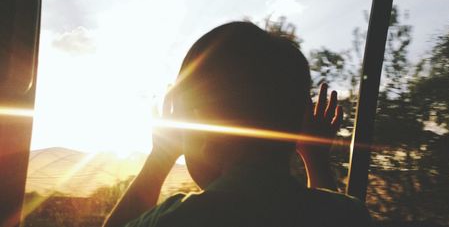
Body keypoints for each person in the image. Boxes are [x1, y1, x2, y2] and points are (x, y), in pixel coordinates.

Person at [102, 22, 372, 227]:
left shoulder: (178, 217)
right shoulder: (349, 214)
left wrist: (160, 157)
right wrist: (316, 159)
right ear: (299, 123)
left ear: (202, 123)